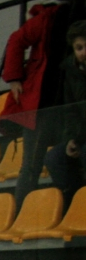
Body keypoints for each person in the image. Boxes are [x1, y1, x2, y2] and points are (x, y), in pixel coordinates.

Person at [2, 0, 86, 202]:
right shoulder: (48, 17)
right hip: (44, 105)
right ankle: (21, 212)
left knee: (53, 160)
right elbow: (16, 40)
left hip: (66, 104)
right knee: (31, 165)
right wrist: (14, 78)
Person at [44, 21, 86, 209]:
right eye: (79, 48)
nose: (84, 52)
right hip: (81, 135)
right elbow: (70, 111)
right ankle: (74, 204)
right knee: (54, 158)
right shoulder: (70, 72)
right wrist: (70, 139)